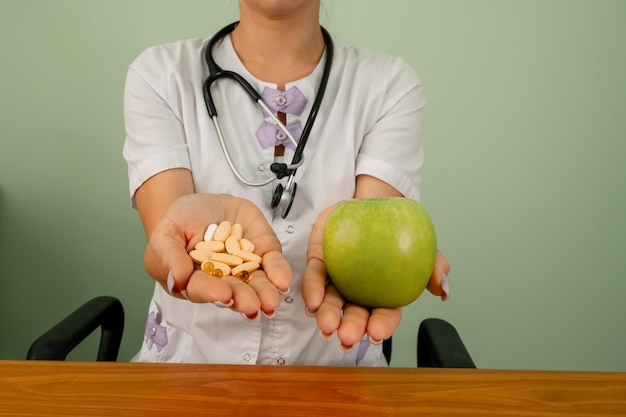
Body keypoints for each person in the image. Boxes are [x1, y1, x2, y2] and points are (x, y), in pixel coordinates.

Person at [123, 0, 450, 366]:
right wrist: (181, 252)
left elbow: (374, 235)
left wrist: (396, 260)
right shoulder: (160, 74)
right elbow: (167, 247)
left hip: (335, 380)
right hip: (185, 377)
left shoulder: (389, 85)